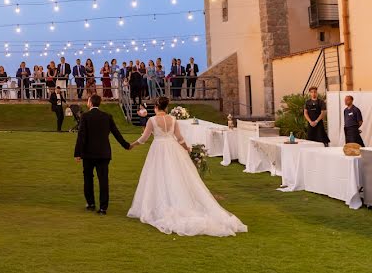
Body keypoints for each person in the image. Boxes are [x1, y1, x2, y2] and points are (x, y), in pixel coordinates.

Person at [128, 97, 247, 236]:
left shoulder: (152, 120)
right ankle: (176, 200)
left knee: (158, 176)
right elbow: (180, 138)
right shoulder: (173, 120)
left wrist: (132, 145)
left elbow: (144, 138)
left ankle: (160, 203)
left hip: (158, 149)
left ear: (156, 107)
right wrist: (187, 149)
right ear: (166, 107)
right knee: (176, 175)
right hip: (173, 148)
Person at [74, 94, 131, 215]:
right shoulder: (107, 116)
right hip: (104, 153)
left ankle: (91, 203)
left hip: (88, 154)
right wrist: (126, 145)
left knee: (88, 178)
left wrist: (78, 153)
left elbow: (81, 136)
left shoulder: (85, 116)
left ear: (90, 103)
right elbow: (116, 133)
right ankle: (103, 208)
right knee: (103, 180)